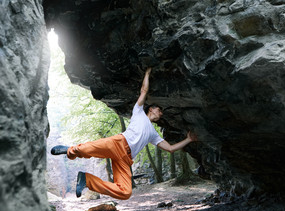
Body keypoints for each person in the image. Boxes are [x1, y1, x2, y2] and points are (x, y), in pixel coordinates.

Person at [51, 67, 197, 200]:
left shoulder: (153, 133)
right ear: (150, 109)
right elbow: (144, 91)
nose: (161, 113)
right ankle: (69, 150)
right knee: (86, 149)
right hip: (118, 143)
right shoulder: (138, 112)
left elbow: (170, 149)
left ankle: (87, 180)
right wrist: (147, 73)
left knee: (125, 192)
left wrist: (188, 139)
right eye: (159, 110)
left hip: (125, 159)